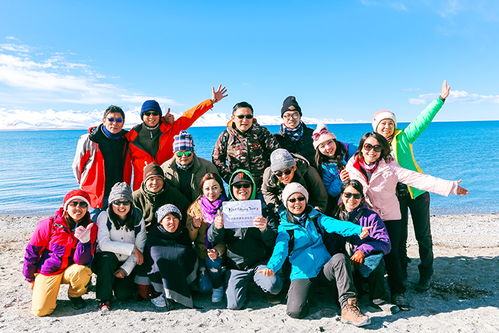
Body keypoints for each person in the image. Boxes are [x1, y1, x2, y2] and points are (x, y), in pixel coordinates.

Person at [343, 132, 468, 309]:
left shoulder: (390, 167)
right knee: (366, 251)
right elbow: (344, 190)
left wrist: (450, 187)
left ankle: (398, 292)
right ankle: (369, 289)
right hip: (367, 218)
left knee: (393, 254)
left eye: (377, 147)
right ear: (362, 148)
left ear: (383, 150)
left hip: (390, 216)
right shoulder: (352, 167)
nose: (372, 151)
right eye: (368, 146)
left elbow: (418, 179)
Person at [372, 80, 451, 291]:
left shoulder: (404, 138)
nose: (387, 126)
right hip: (395, 198)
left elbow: (422, 120)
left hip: (418, 193)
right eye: (382, 123)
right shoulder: (374, 147)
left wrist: (440, 99)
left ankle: (426, 272)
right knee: (400, 237)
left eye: (390, 123)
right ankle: (403, 271)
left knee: (423, 235)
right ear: (376, 127)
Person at [259, 183, 372, 327]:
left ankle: (348, 307)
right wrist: (272, 267)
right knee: (295, 312)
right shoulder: (285, 228)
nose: (297, 203)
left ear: (306, 199)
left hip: (324, 269)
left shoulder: (316, 217)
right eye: (292, 200)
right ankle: (307, 293)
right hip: (303, 273)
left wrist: (358, 229)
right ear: (286, 203)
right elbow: (280, 249)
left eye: (300, 198)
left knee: (340, 258)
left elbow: (335, 224)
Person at [207, 169, 283, 310]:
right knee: (234, 305)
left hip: (259, 263)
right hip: (235, 266)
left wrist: (264, 229)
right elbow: (212, 238)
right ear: (231, 188)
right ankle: (241, 285)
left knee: (274, 286)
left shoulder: (263, 209)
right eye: (237, 186)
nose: (242, 189)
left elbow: (273, 241)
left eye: (246, 185)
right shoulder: (226, 210)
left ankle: (264, 285)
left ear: (252, 187)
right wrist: (217, 226)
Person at [127, 85, 228, 190]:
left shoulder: (170, 129)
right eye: (147, 113)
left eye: (155, 113)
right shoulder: (131, 137)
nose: (151, 117)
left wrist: (211, 101)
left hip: (168, 184)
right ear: (142, 116)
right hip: (141, 187)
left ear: (159, 115)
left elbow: (190, 116)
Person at [23, 190, 97, 317]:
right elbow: (32, 252)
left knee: (82, 271)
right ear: (66, 207)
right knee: (41, 311)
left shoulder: (91, 228)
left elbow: (82, 262)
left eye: (83, 204)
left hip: (71, 271)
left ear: (87, 208)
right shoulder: (49, 224)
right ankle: (45, 293)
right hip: (49, 271)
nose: (78, 208)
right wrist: (30, 277)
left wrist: (84, 242)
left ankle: (75, 295)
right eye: (74, 204)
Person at [333, 180, 396, 313]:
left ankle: (379, 299)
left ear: (362, 198)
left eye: (356, 196)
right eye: (348, 195)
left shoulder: (371, 217)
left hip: (361, 262)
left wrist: (362, 250)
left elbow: (385, 243)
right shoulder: (334, 216)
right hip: (343, 263)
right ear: (341, 195)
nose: (352, 199)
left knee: (376, 260)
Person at [94, 182, 147, 311]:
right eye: (117, 202)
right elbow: (104, 244)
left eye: (125, 202)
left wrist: (125, 269)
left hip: (126, 261)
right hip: (106, 260)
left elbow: (140, 245)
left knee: (124, 295)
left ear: (131, 203)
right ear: (111, 203)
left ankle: (114, 281)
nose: (121, 206)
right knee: (107, 258)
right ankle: (104, 299)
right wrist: (131, 249)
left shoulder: (137, 215)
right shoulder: (104, 216)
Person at [73, 105, 131, 220]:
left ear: (123, 123)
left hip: (118, 192)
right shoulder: (89, 139)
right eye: (111, 119)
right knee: (91, 226)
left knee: (113, 226)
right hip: (95, 193)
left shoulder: (126, 139)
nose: (114, 123)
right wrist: (86, 184)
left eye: (119, 120)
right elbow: (77, 166)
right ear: (103, 120)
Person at [137, 204, 198, 310]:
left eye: (175, 218)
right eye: (168, 218)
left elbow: (188, 252)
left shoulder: (183, 233)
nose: (172, 222)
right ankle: (160, 292)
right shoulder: (153, 235)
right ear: (161, 221)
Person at [212, 101, 280, 191]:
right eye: (240, 116)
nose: (245, 120)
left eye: (249, 116)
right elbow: (217, 160)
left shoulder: (262, 133)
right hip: (239, 189)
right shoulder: (226, 136)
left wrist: (270, 177)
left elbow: (277, 155)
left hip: (263, 187)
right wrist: (231, 178)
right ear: (233, 118)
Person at [186, 173, 227, 303]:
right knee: (204, 287)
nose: (211, 192)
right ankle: (203, 271)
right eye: (207, 189)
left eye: (215, 187)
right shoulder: (195, 207)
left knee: (213, 263)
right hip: (200, 249)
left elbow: (231, 236)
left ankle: (219, 285)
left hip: (221, 251)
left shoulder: (228, 206)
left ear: (221, 188)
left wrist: (219, 250)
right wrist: (194, 226)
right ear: (202, 190)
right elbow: (189, 237)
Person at [262, 148, 327, 218]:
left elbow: (321, 199)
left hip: (307, 206)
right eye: (279, 174)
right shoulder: (268, 174)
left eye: (287, 172)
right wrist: (276, 208)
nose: (284, 176)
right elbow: (267, 192)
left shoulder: (309, 173)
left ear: (294, 168)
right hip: (284, 207)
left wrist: (314, 215)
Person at [161, 130, 219, 202]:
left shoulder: (207, 167)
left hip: (202, 208)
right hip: (174, 208)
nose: (184, 156)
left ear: (193, 152)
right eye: (179, 154)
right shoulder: (164, 169)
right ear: (174, 153)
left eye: (188, 153)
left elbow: (219, 190)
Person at [312, 123, 357, 214]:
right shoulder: (324, 167)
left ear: (334, 141)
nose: (328, 147)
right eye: (322, 146)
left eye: (329, 142)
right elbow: (330, 192)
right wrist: (340, 180)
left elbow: (367, 154)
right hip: (345, 199)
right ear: (318, 150)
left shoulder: (350, 150)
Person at [133, 162, 190, 229]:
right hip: (144, 233)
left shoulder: (173, 194)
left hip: (167, 232)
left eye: (158, 179)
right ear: (145, 181)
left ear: (163, 180)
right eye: (151, 179)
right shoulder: (136, 197)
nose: (155, 183)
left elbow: (187, 211)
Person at [274, 96, 316, 165]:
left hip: (310, 172)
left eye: (295, 115)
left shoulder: (313, 135)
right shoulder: (276, 139)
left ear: (300, 116)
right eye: (287, 115)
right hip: (286, 174)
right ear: (282, 118)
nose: (291, 118)